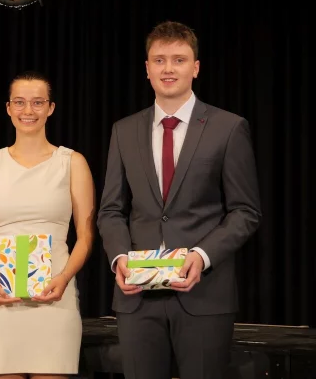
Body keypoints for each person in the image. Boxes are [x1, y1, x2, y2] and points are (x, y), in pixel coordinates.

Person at [97, 21, 262, 379]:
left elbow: (245, 211)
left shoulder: (229, 128)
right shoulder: (123, 130)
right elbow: (111, 209)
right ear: (147, 69)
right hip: (137, 298)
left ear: (196, 67)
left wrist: (201, 257)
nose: (168, 68)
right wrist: (119, 259)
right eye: (159, 60)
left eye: (178, 59)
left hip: (204, 296)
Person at [0, 72, 96, 378]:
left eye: (37, 102)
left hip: (55, 297)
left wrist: (64, 278)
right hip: (1, 298)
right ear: (8, 108)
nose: (29, 111)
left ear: (50, 108)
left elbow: (86, 236)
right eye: (20, 102)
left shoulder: (72, 162)